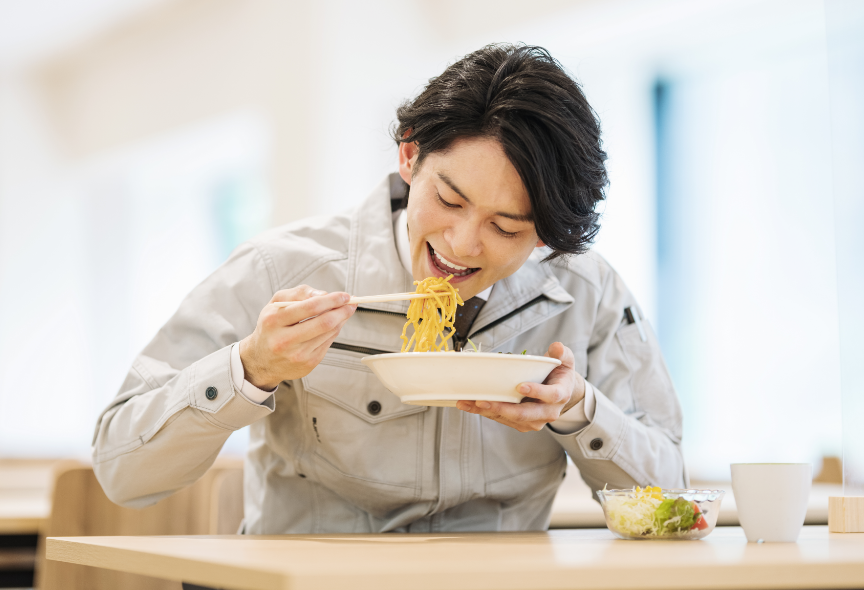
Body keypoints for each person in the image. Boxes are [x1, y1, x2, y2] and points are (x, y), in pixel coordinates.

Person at [93, 44, 685, 534]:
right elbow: (122, 470)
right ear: (409, 156)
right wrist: (251, 367)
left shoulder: (586, 293)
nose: (463, 243)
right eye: (449, 201)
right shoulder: (282, 269)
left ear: (545, 237)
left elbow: (670, 501)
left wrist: (579, 412)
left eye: (506, 227)